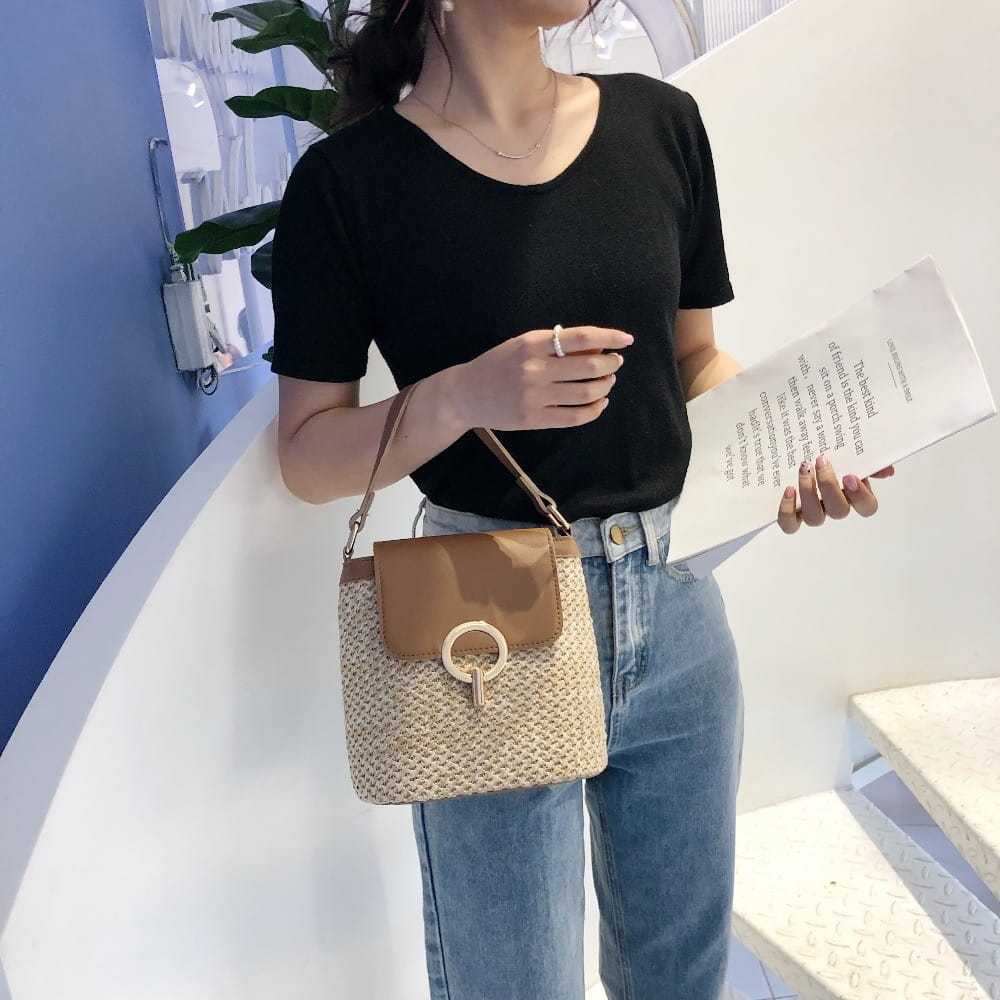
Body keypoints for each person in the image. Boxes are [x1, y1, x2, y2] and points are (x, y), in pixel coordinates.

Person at [269, 2, 894, 997]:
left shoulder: (658, 123)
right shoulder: (347, 184)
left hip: (677, 607)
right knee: (513, 981)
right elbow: (306, 455)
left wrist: (795, 449)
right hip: (484, 630)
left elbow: (694, 358)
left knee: (680, 976)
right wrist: (462, 396)